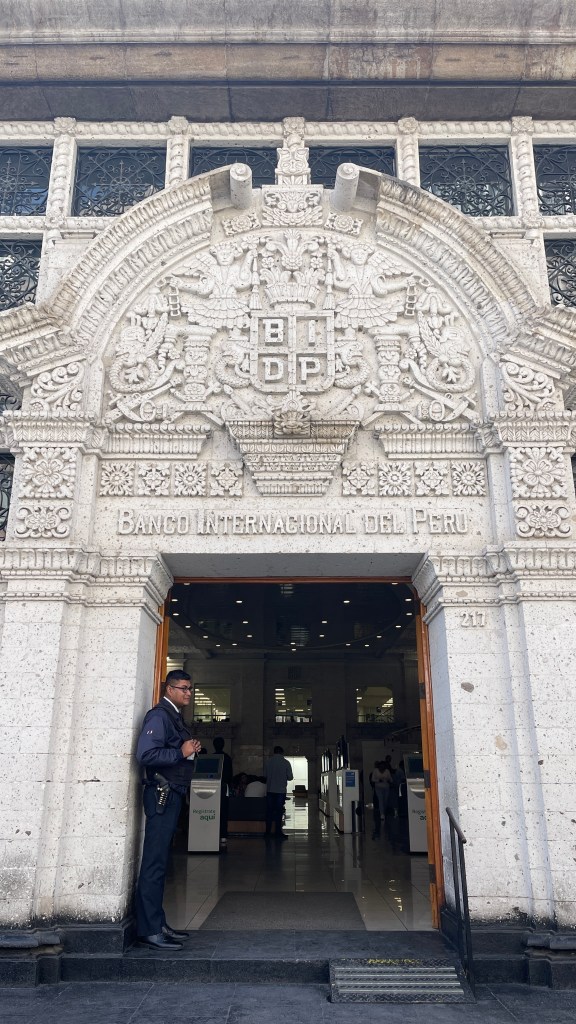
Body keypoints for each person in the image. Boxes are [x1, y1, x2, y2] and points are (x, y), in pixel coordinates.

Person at [134, 669, 201, 950]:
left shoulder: (174, 717)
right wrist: (181, 752)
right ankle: (149, 930)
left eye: (190, 688)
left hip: (172, 794)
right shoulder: (159, 716)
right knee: (154, 862)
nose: (188, 693)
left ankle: (157, 923)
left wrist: (188, 750)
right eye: (183, 688)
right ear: (169, 689)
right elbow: (146, 754)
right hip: (162, 794)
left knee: (161, 861)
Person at [264, 746, 293, 840]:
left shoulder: (268, 762)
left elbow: (265, 775)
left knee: (269, 811)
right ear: (282, 752)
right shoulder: (286, 762)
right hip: (280, 791)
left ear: (274, 752)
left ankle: (268, 832)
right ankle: (278, 832)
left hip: (270, 790)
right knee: (279, 811)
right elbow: (290, 777)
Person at [213, 736, 233, 847]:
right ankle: (223, 835)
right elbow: (230, 775)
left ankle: (213, 833)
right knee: (223, 811)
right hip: (224, 787)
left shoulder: (212, 757)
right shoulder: (227, 758)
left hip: (212, 787)